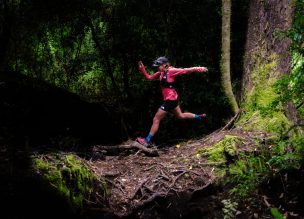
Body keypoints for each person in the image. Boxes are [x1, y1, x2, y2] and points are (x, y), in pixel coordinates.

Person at [136, 56, 208, 147]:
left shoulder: (171, 71)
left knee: (156, 119)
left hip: (170, 100)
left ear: (165, 65)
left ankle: (146, 141)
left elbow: (185, 70)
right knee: (180, 116)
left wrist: (198, 68)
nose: (157, 67)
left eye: (159, 66)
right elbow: (149, 77)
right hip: (173, 99)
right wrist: (142, 69)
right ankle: (199, 117)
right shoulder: (160, 73)